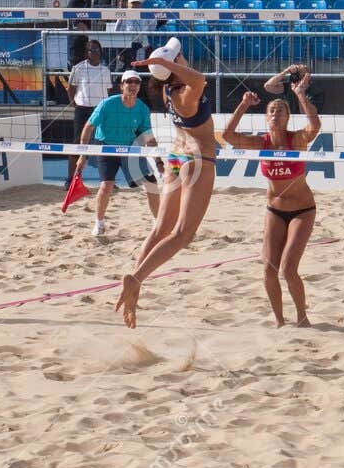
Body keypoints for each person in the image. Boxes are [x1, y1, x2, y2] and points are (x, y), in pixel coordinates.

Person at [114, 39, 220, 329]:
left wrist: (163, 66)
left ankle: (133, 281)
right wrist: (164, 63)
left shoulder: (167, 89)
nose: (184, 58)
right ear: (175, 64)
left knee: (160, 229)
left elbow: (186, 76)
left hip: (175, 157)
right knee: (182, 234)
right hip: (196, 160)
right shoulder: (187, 91)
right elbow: (200, 78)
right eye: (180, 57)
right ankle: (136, 279)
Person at [221, 66, 323, 328]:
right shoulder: (261, 142)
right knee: (268, 269)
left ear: (288, 117)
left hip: (302, 210)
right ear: (266, 117)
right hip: (274, 210)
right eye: (271, 111)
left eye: (280, 110)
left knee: (288, 270)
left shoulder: (297, 139)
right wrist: (243, 105)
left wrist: (300, 94)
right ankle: (279, 321)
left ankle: (302, 318)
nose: (275, 113)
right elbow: (228, 136)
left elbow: (315, 126)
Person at [72, 69, 160, 238]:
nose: (133, 85)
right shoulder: (108, 104)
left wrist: (159, 160)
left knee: (151, 183)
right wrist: (83, 155)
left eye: (136, 82)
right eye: (129, 82)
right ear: (121, 86)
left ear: (139, 86)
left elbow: (149, 137)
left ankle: (157, 223)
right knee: (107, 186)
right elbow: (88, 127)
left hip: (129, 147)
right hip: (105, 146)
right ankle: (99, 223)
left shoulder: (142, 108)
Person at [68, 39, 112, 162]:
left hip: (100, 110)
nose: (95, 52)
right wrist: (74, 104)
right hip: (83, 109)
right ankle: (71, 179)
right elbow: (70, 88)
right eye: (91, 50)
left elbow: (108, 90)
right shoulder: (78, 68)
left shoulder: (105, 70)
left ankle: (106, 179)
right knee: (78, 144)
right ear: (87, 52)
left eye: (97, 50)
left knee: (103, 143)